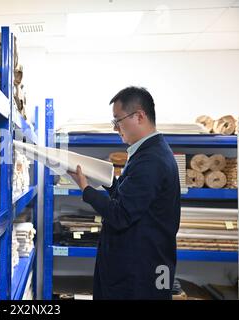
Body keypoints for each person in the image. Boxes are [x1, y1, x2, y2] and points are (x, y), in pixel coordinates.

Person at [68, 86, 181, 300]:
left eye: (117, 120)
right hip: (140, 265)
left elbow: (121, 215)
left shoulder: (151, 160)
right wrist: (102, 179)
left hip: (141, 273)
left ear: (139, 116)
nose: (115, 128)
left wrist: (86, 190)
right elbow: (131, 196)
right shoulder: (148, 152)